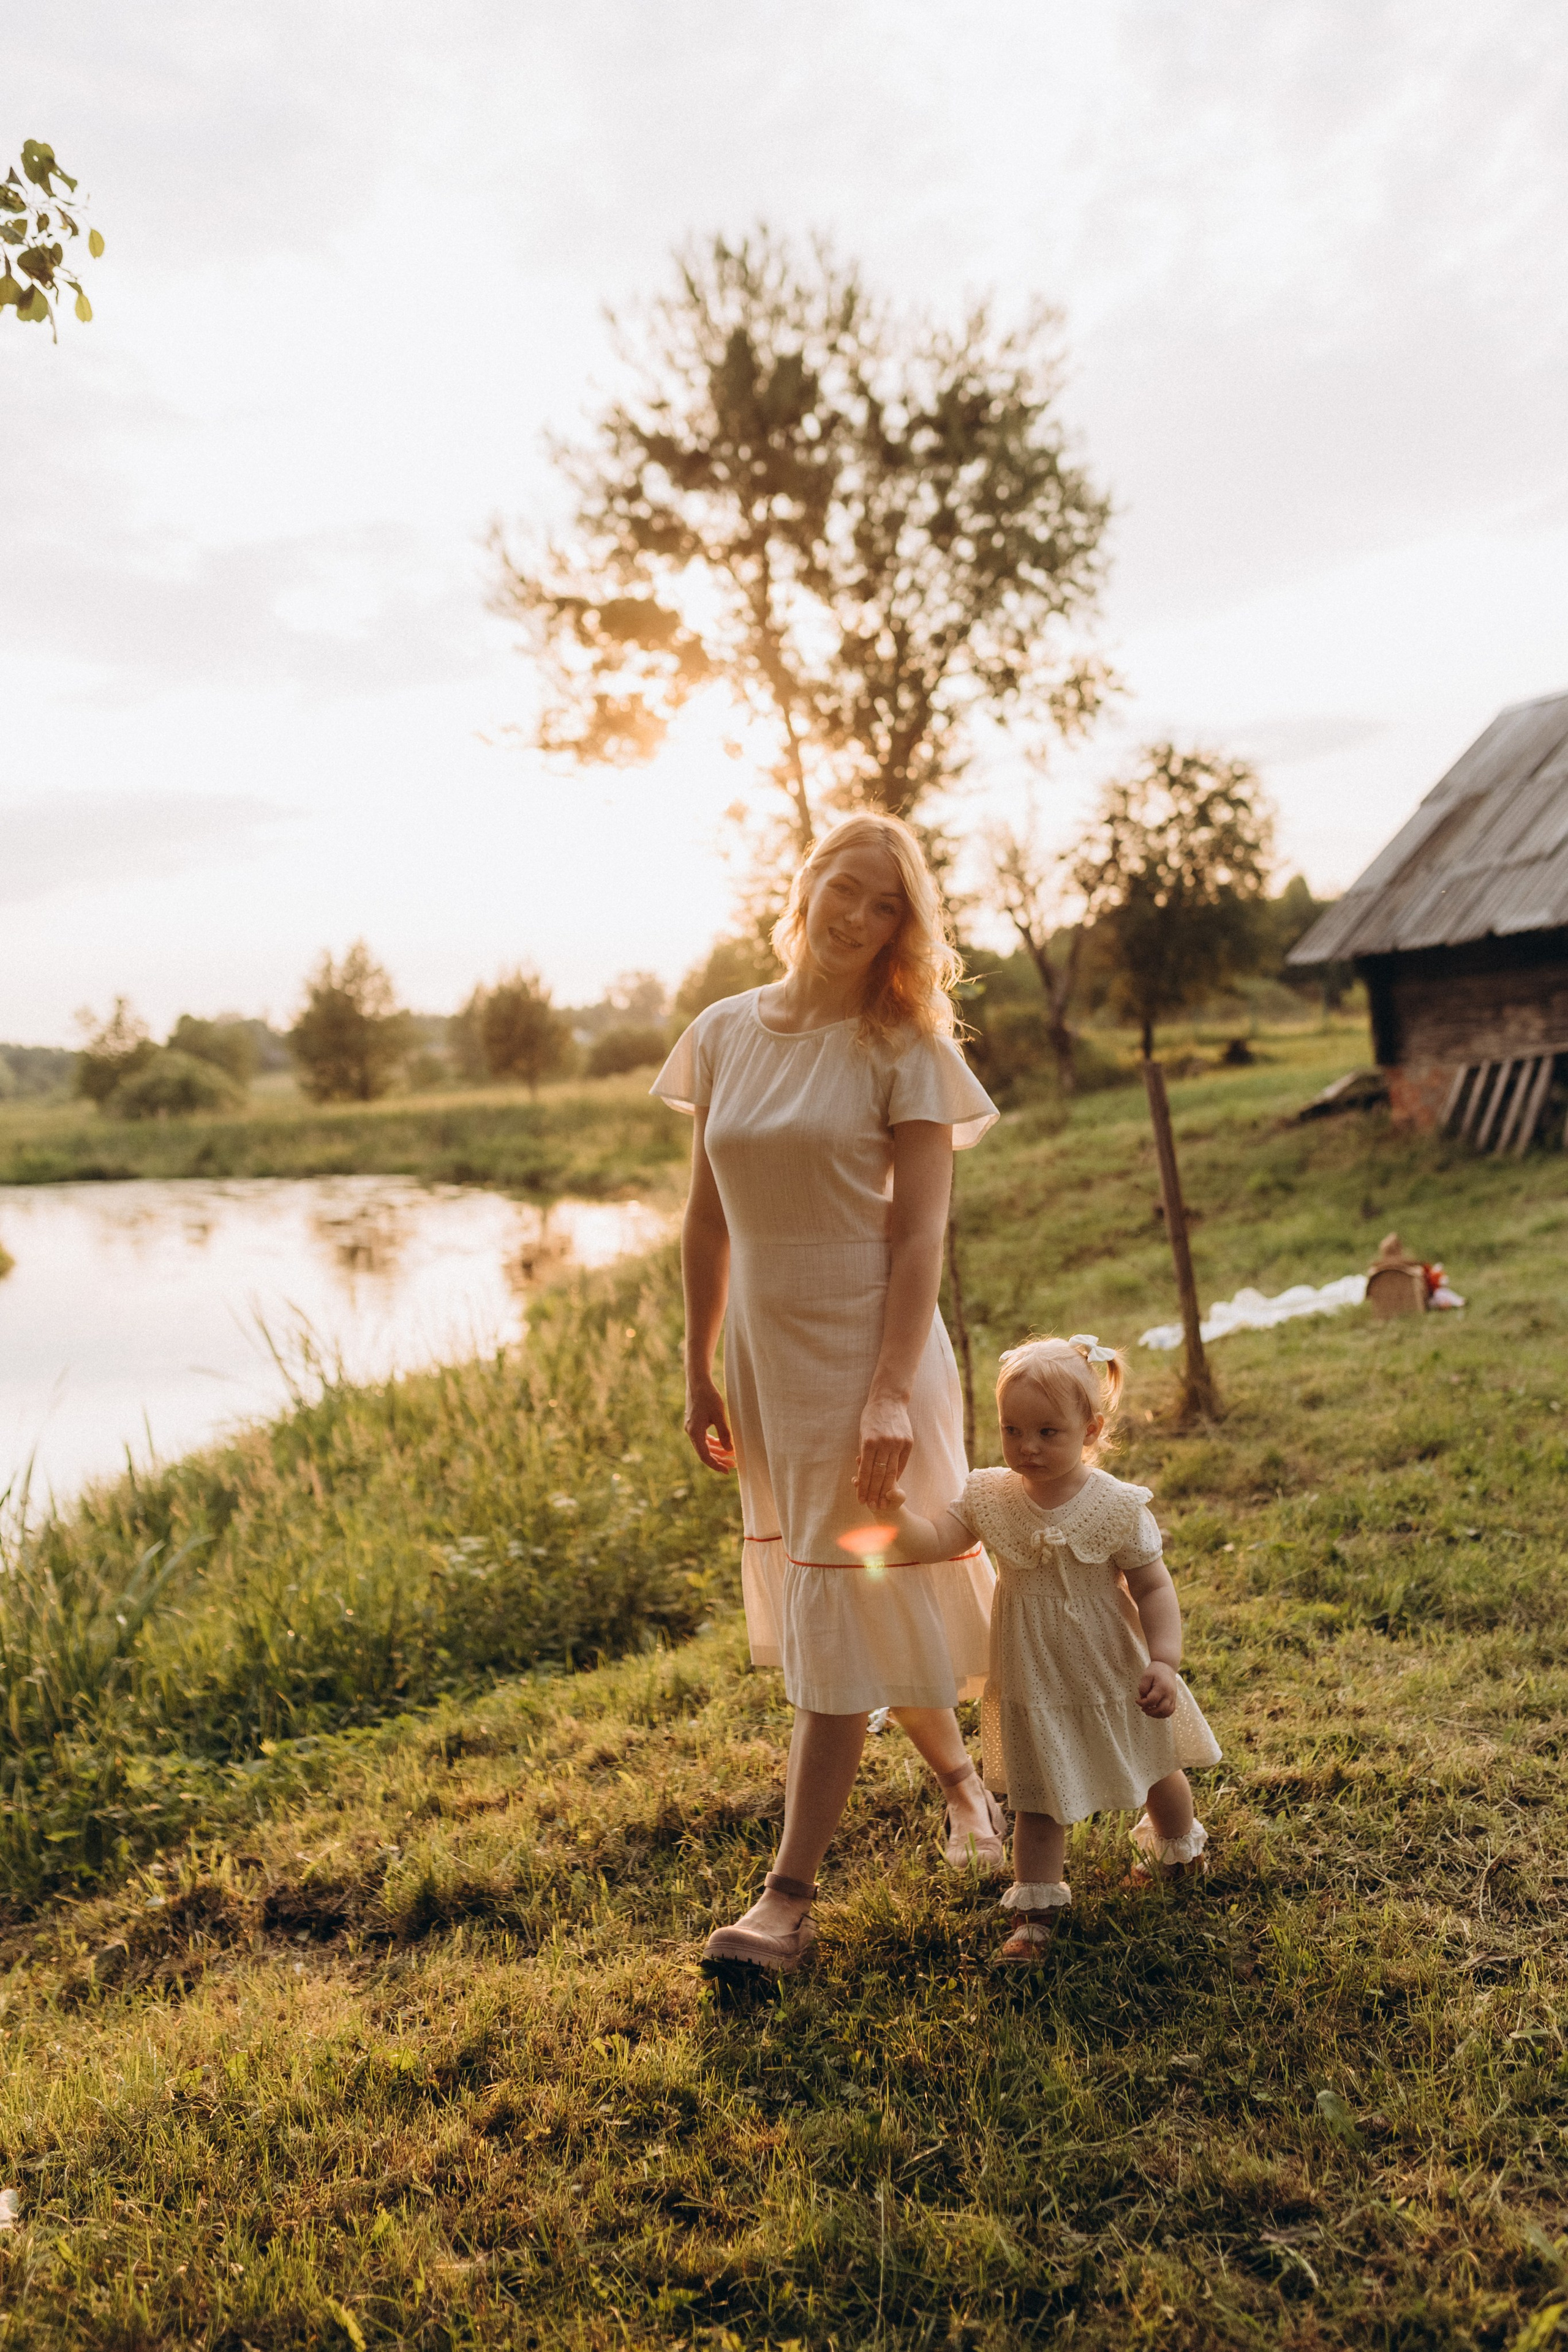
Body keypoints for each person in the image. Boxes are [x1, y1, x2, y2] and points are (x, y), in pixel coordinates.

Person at [651, 814, 1002, 1980]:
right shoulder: (721, 1033)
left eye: (887, 904)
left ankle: (783, 1905)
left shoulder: (903, 1047)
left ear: (908, 926)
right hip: (769, 1363)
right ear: (802, 891)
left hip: (872, 1358)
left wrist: (893, 1395)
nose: (858, 916)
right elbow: (707, 1216)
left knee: (848, 1600)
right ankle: (964, 1787)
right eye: (844, 890)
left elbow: (921, 1238)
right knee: (848, 1595)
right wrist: (699, 1362)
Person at [884, 1334, 1221, 1965]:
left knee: (1155, 1764)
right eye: (1013, 1431)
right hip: (1032, 1677)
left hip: (1113, 1667)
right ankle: (1035, 1919)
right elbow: (935, 1540)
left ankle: (1181, 1850)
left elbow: (1152, 1587)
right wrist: (895, 1514)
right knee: (1036, 1795)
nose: (1027, 1448)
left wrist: (1163, 1661)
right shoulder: (990, 1496)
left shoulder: (1117, 1507)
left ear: (1089, 1430)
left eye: (1047, 1432)